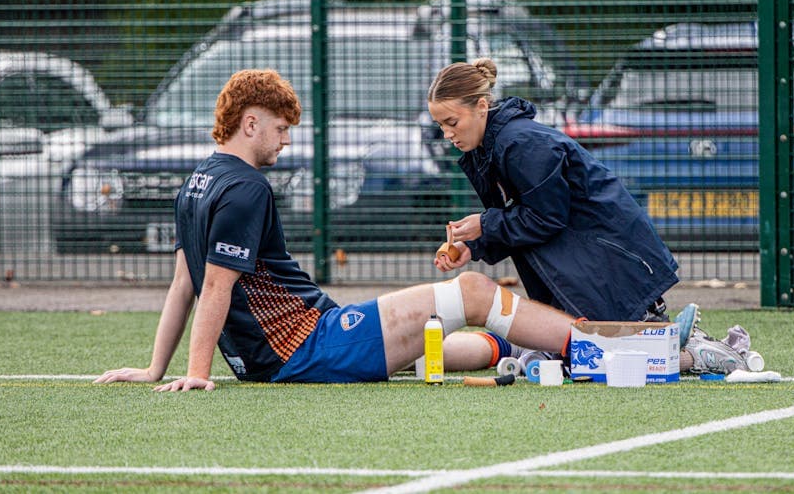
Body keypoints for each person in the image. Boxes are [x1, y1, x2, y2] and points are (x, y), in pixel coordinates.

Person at [94, 68, 579, 390]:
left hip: (285, 352)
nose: (285, 142)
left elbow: (185, 284)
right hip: (309, 345)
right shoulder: (247, 188)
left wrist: (155, 369)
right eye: (281, 129)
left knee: (421, 347)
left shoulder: (196, 183)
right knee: (471, 291)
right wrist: (197, 374)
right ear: (249, 123)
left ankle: (506, 347)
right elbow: (216, 284)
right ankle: (593, 346)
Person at [426, 58, 750, 375]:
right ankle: (679, 340)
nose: (447, 134)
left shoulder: (520, 143)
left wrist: (485, 225)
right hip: (588, 252)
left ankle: (696, 352)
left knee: (609, 356)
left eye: (452, 122)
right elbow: (524, 216)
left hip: (606, 249)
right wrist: (479, 243)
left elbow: (545, 216)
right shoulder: (495, 145)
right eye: (441, 125)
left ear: (481, 106)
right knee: (590, 354)